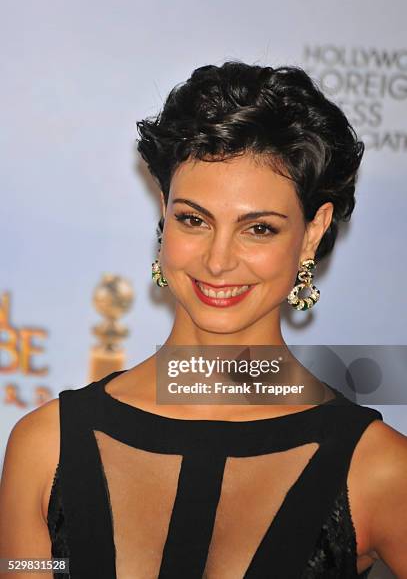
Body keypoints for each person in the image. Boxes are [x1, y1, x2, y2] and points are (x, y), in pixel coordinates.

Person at [0, 61, 406, 579]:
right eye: (193, 220)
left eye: (258, 229)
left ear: (311, 233)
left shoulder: (378, 470)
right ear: (163, 212)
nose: (217, 261)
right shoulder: (45, 447)